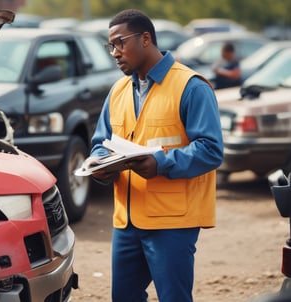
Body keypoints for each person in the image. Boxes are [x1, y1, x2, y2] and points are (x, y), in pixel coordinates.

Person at [89, 9, 224, 302]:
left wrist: (160, 163)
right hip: (126, 221)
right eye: (110, 45)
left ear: (145, 38)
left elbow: (211, 150)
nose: (114, 53)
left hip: (172, 222)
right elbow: (101, 142)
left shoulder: (191, 86)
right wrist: (98, 164)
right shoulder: (118, 90)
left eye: (119, 43)